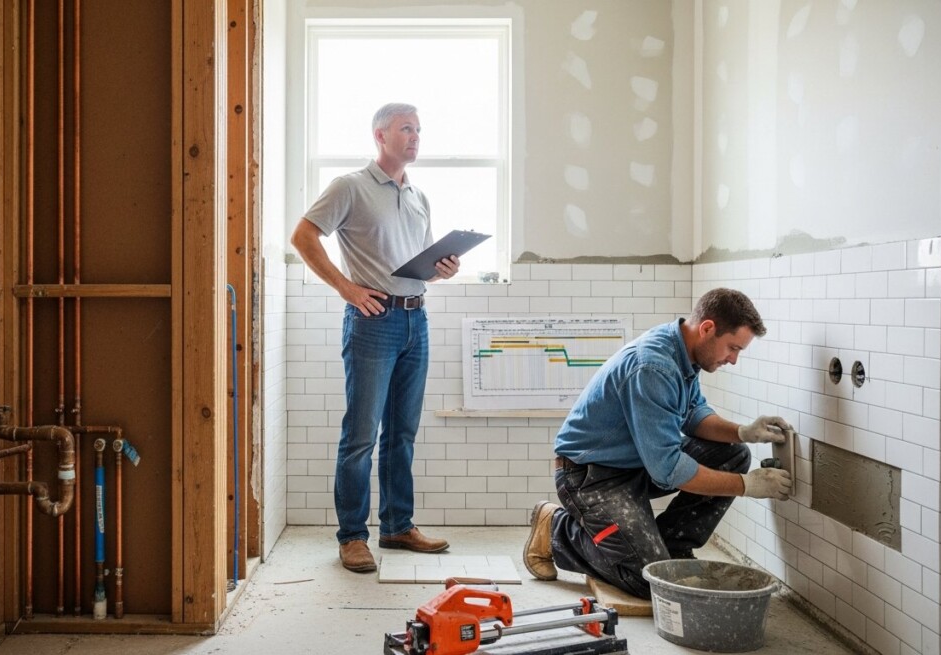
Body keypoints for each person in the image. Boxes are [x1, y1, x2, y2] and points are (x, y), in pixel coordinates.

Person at [522, 288, 793, 598]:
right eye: (732, 348)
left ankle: (672, 549)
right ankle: (555, 530)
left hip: (636, 465)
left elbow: (693, 415)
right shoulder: (653, 366)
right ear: (707, 328)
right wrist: (746, 486)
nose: (733, 360)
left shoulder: (684, 350)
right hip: (591, 478)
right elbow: (668, 469)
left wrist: (743, 432)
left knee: (732, 454)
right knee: (649, 581)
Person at [291, 103, 460, 573]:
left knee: (401, 434)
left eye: (420, 130)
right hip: (373, 321)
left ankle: (397, 526)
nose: (416, 137)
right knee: (361, 435)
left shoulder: (418, 195)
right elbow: (303, 236)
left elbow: (418, 261)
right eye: (407, 129)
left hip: (415, 319)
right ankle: (351, 536)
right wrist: (344, 287)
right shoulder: (350, 186)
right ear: (380, 135)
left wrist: (444, 269)